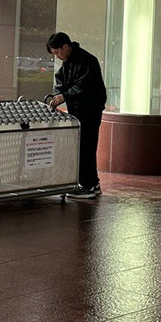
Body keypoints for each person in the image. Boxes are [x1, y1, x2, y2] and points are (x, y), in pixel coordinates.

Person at [46, 31, 107, 199]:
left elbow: (84, 85)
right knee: (83, 146)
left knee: (87, 146)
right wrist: (57, 96)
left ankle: (89, 186)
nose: (57, 56)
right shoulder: (69, 62)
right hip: (78, 111)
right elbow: (61, 81)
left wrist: (64, 96)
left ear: (66, 46)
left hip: (90, 110)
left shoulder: (87, 60)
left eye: (57, 52)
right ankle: (90, 183)